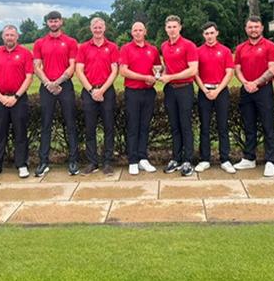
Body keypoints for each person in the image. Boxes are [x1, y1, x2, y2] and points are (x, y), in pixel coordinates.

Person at [33, 10, 80, 177]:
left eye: (56, 20)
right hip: (47, 86)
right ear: (47, 23)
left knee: (70, 123)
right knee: (46, 124)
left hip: (64, 86)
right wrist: (48, 83)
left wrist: (57, 82)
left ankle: (73, 161)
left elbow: (72, 66)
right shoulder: (40, 42)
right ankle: (43, 162)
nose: (53, 23)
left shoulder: (70, 41)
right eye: (51, 21)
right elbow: (37, 66)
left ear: (61, 22)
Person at [0, 25, 34, 179]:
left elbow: (29, 77)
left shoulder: (25, 53)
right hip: (0, 98)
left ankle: (22, 165)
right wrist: (0, 96)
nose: (9, 38)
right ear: (3, 37)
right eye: (7, 35)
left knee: (20, 133)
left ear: (17, 37)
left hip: (19, 98)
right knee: (0, 133)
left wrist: (16, 97)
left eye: (12, 35)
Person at [233, 16, 274, 177]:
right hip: (246, 89)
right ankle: (249, 158)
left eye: (256, 27)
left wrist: (256, 83)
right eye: (250, 27)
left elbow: (272, 69)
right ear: (246, 29)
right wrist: (246, 82)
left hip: (264, 90)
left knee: (268, 126)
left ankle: (270, 161)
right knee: (249, 125)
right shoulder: (241, 48)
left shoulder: (270, 46)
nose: (253, 30)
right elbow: (237, 68)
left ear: (262, 28)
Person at [75, 17, 119, 176]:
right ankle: (92, 162)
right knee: (90, 128)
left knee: (109, 127)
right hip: (89, 92)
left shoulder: (112, 47)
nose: (98, 30)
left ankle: (107, 162)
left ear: (104, 28)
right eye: (95, 27)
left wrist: (102, 90)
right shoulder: (83, 47)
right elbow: (79, 70)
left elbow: (115, 71)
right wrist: (92, 90)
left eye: (100, 27)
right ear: (91, 29)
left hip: (107, 92)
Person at [118, 21, 160, 175]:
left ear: (145, 32)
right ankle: (133, 160)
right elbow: (123, 71)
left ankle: (143, 158)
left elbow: (157, 68)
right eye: (135, 30)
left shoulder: (153, 49)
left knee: (144, 126)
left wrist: (155, 78)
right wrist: (144, 77)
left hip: (148, 93)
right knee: (133, 126)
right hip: (133, 92)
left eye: (140, 30)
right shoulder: (126, 48)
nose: (137, 33)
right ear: (131, 32)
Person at [159, 15, 198, 177]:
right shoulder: (164, 45)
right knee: (174, 126)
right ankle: (176, 158)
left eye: (175, 26)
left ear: (180, 27)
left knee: (185, 125)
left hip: (184, 89)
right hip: (170, 90)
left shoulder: (189, 45)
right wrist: (161, 73)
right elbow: (167, 67)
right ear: (165, 29)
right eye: (169, 27)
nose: (172, 30)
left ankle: (188, 160)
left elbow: (193, 70)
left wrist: (171, 77)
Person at [194, 22, 235, 174]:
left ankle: (225, 159)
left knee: (222, 126)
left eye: (212, 33)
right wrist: (204, 89)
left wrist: (217, 90)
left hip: (221, 91)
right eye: (206, 33)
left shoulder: (225, 51)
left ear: (217, 33)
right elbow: (195, 73)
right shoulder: (198, 51)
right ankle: (204, 159)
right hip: (204, 91)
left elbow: (229, 73)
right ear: (203, 35)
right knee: (204, 126)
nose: (209, 36)